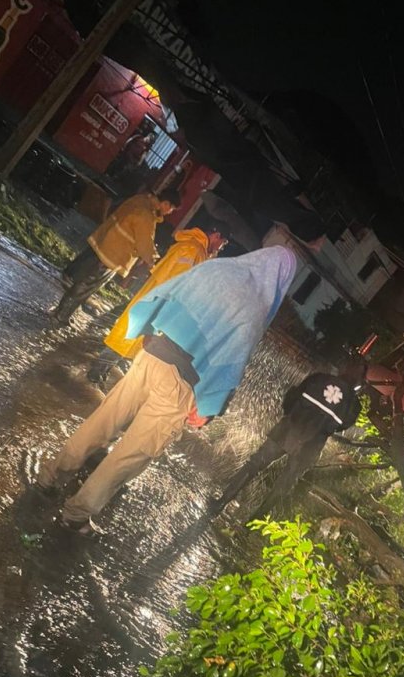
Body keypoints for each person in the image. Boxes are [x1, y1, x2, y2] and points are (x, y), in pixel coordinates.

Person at [36, 246, 297, 534]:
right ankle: (76, 514)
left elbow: (169, 290)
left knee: (103, 420)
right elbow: (231, 363)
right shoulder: (255, 309)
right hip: (181, 385)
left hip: (152, 356)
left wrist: (147, 329)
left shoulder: (218, 268)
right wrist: (209, 408)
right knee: (131, 453)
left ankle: (50, 475)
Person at [208, 362, 367, 519]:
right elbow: (341, 427)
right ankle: (251, 526)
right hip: (310, 446)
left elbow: (291, 397)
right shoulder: (354, 405)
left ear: (343, 368)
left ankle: (221, 503)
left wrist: (292, 416)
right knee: (283, 486)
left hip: (288, 429)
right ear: (359, 382)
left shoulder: (319, 378)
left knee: (255, 464)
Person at [86, 224, 230, 388]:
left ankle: (99, 373)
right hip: (158, 303)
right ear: (216, 235)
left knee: (131, 339)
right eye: (222, 243)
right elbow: (177, 281)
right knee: (128, 338)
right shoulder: (193, 250)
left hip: (156, 301)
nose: (220, 248)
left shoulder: (194, 248)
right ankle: (93, 375)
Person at [49, 188, 181, 326]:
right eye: (171, 208)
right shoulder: (146, 215)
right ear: (166, 203)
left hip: (104, 243)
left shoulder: (140, 200)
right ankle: (60, 316)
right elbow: (144, 243)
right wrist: (153, 262)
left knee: (83, 283)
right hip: (113, 255)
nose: (170, 212)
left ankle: (60, 312)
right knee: (85, 286)